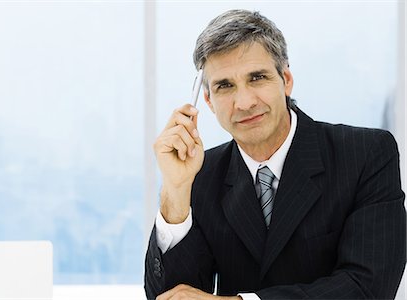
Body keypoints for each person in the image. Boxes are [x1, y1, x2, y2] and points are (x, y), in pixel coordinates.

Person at [144, 9, 406, 300]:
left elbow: (368, 287)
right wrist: (176, 191)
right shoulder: (201, 174)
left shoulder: (365, 155)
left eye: (257, 78)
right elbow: (171, 295)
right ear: (207, 100)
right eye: (225, 86)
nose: (243, 102)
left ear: (286, 79)